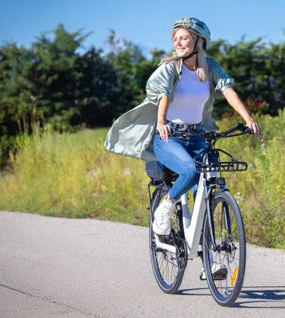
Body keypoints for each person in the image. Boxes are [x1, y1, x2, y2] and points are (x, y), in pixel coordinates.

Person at [104, 17, 261, 238]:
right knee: (190, 170)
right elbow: (164, 96)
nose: (178, 43)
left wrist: (248, 119)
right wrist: (160, 123)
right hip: (170, 137)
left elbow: (228, 91)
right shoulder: (171, 67)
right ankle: (165, 207)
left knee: (205, 193)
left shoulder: (210, 67)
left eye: (184, 38)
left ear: (199, 41)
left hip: (198, 137)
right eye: (175, 39)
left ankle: (211, 258)